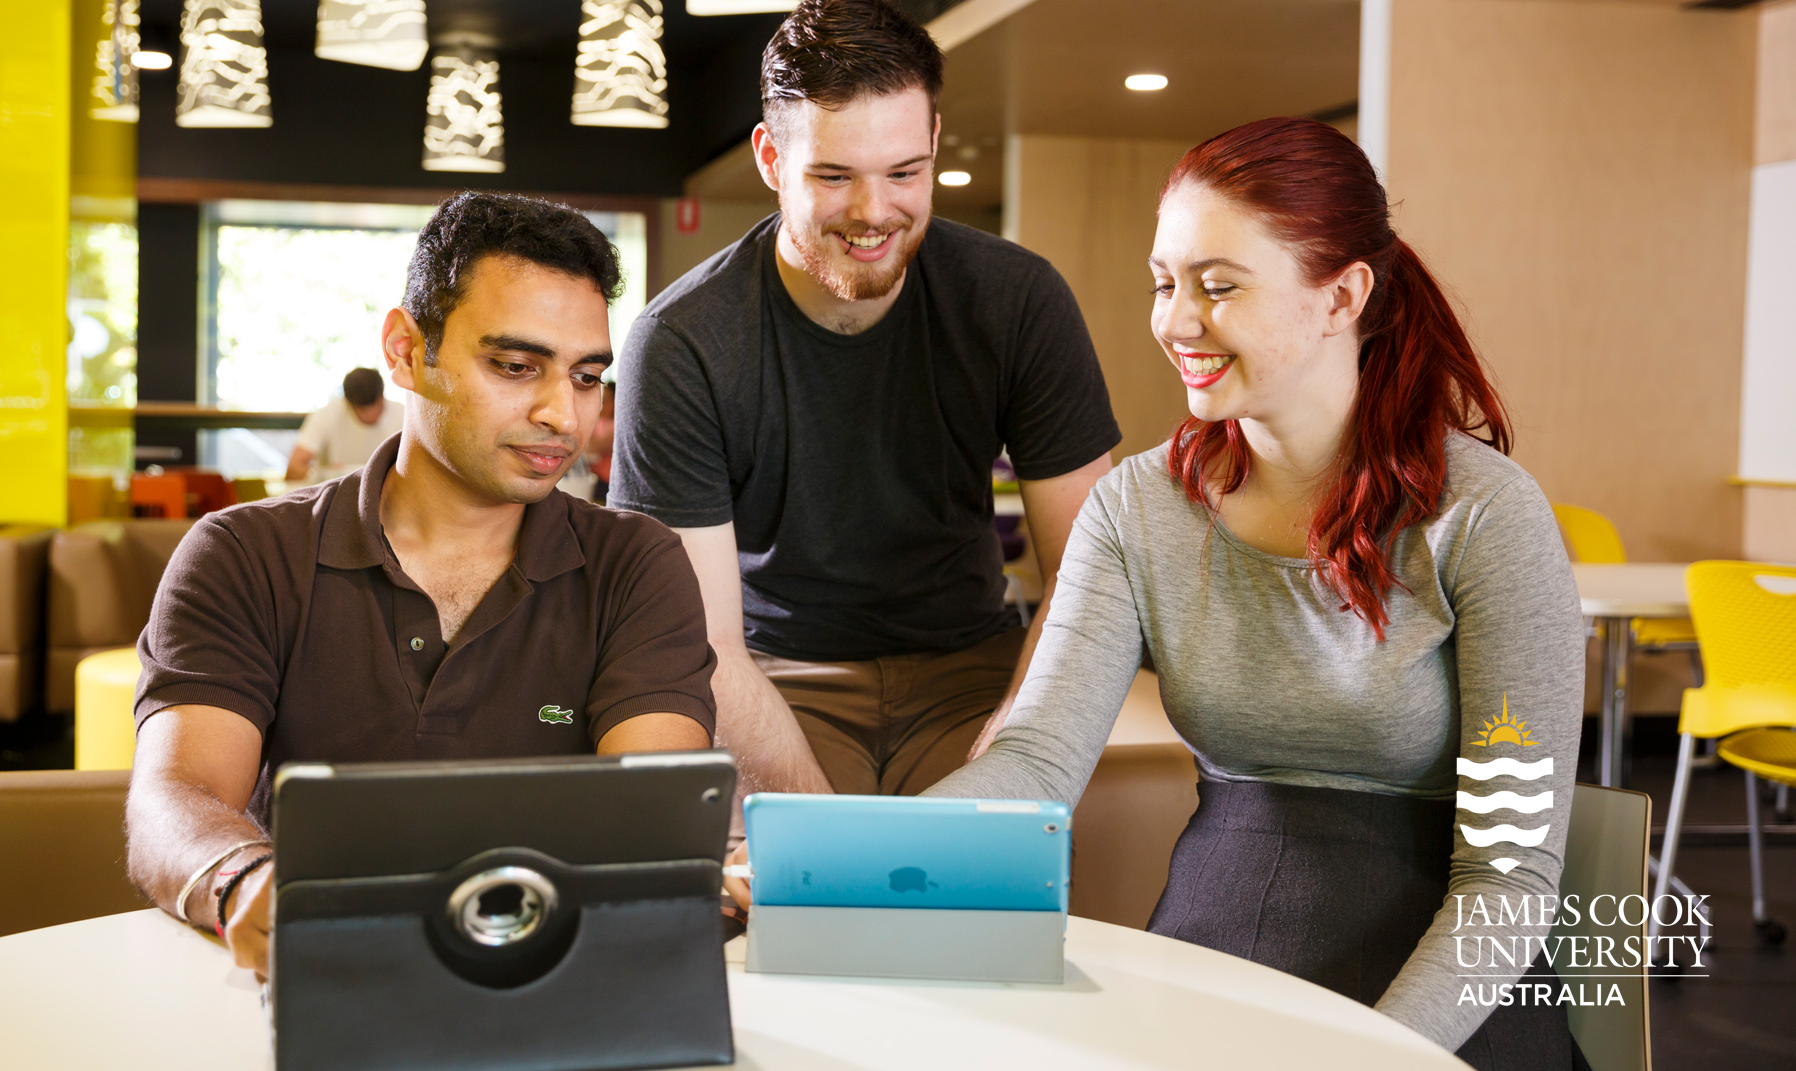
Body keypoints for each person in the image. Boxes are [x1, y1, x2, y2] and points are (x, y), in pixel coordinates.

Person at [922, 118, 1587, 1065]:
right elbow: (1034, 762)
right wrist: (855, 859)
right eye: (1166, 283)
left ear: (1342, 296)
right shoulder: (1136, 508)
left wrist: (1379, 1054)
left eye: (1219, 286)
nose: (1176, 320)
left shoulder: (1486, 516)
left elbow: (1510, 876)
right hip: (1216, 953)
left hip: (1443, 995)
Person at [125, 192, 719, 979]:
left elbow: (655, 810)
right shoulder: (244, 553)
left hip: (552, 981)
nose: (563, 415)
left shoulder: (636, 564)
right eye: (514, 366)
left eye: (586, 377)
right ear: (405, 352)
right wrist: (245, 883)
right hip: (310, 971)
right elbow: (177, 796)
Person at [609, 0, 1121, 809]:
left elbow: (1090, 575)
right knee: (812, 907)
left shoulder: (1017, 301)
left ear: (934, 145)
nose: (874, 211)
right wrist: (823, 839)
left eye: (903, 173)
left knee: (980, 898)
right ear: (771, 159)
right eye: (833, 175)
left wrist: (1016, 758)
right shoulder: (682, 341)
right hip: (780, 678)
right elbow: (702, 639)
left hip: (972, 670)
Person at [285, 366, 402, 482]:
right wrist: (326, 474)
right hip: (337, 495)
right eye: (363, 410)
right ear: (348, 403)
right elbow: (294, 468)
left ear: (382, 396)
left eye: (375, 407)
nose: (371, 415)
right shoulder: (328, 414)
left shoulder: (403, 416)